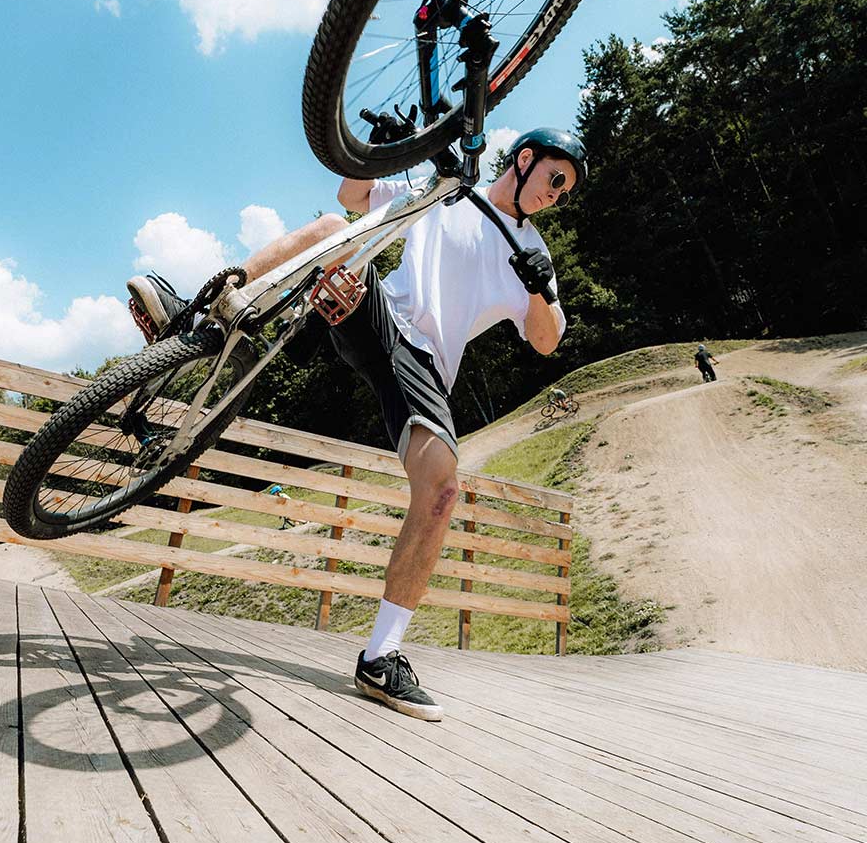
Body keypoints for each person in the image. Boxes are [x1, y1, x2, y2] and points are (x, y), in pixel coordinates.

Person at [128, 126, 585, 721]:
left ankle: (381, 657)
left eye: (565, 191)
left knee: (442, 488)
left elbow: (547, 342)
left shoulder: (536, 255)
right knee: (331, 233)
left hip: (423, 364)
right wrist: (386, 147)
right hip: (375, 314)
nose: (556, 194)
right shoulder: (448, 188)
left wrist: (536, 288)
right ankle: (200, 313)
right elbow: (352, 195)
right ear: (525, 161)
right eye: (554, 179)